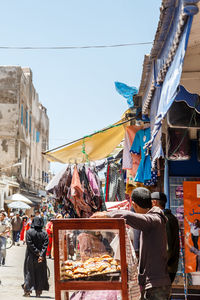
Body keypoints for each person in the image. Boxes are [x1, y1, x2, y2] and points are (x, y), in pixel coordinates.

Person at [91, 187, 171, 300]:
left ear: (134, 205)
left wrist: (107, 215)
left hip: (157, 286)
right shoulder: (154, 219)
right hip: (154, 284)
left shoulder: (155, 220)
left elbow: (128, 216)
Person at [151, 192, 179, 284]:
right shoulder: (170, 217)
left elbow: (167, 247)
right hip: (167, 269)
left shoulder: (165, 219)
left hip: (164, 270)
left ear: (154, 202)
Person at [22, 216, 49, 297]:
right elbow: (45, 245)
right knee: (40, 273)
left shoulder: (29, 232)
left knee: (29, 272)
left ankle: (28, 290)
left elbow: (29, 243)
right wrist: (41, 255)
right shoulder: (44, 233)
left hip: (30, 256)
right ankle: (38, 291)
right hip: (41, 258)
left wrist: (36, 252)